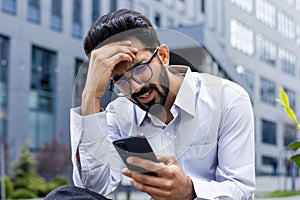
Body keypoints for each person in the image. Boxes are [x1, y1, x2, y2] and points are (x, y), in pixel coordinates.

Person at [45, 8, 255, 200]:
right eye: (120, 80)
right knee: (63, 197)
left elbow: (241, 190)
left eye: (140, 69)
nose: (135, 88)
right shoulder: (119, 114)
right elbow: (93, 190)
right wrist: (90, 95)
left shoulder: (228, 98)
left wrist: (189, 190)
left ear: (163, 56)